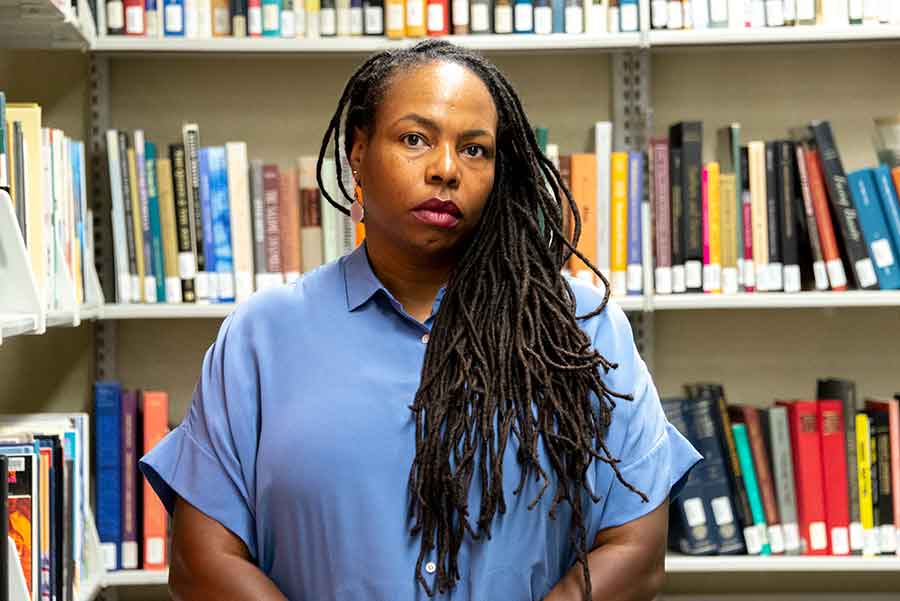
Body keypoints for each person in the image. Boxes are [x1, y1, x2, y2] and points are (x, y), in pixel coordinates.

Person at [140, 39, 701, 601]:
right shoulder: (259, 337)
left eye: (475, 150)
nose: (446, 169)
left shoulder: (581, 330)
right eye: (415, 139)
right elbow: (200, 560)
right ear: (357, 152)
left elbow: (637, 550)